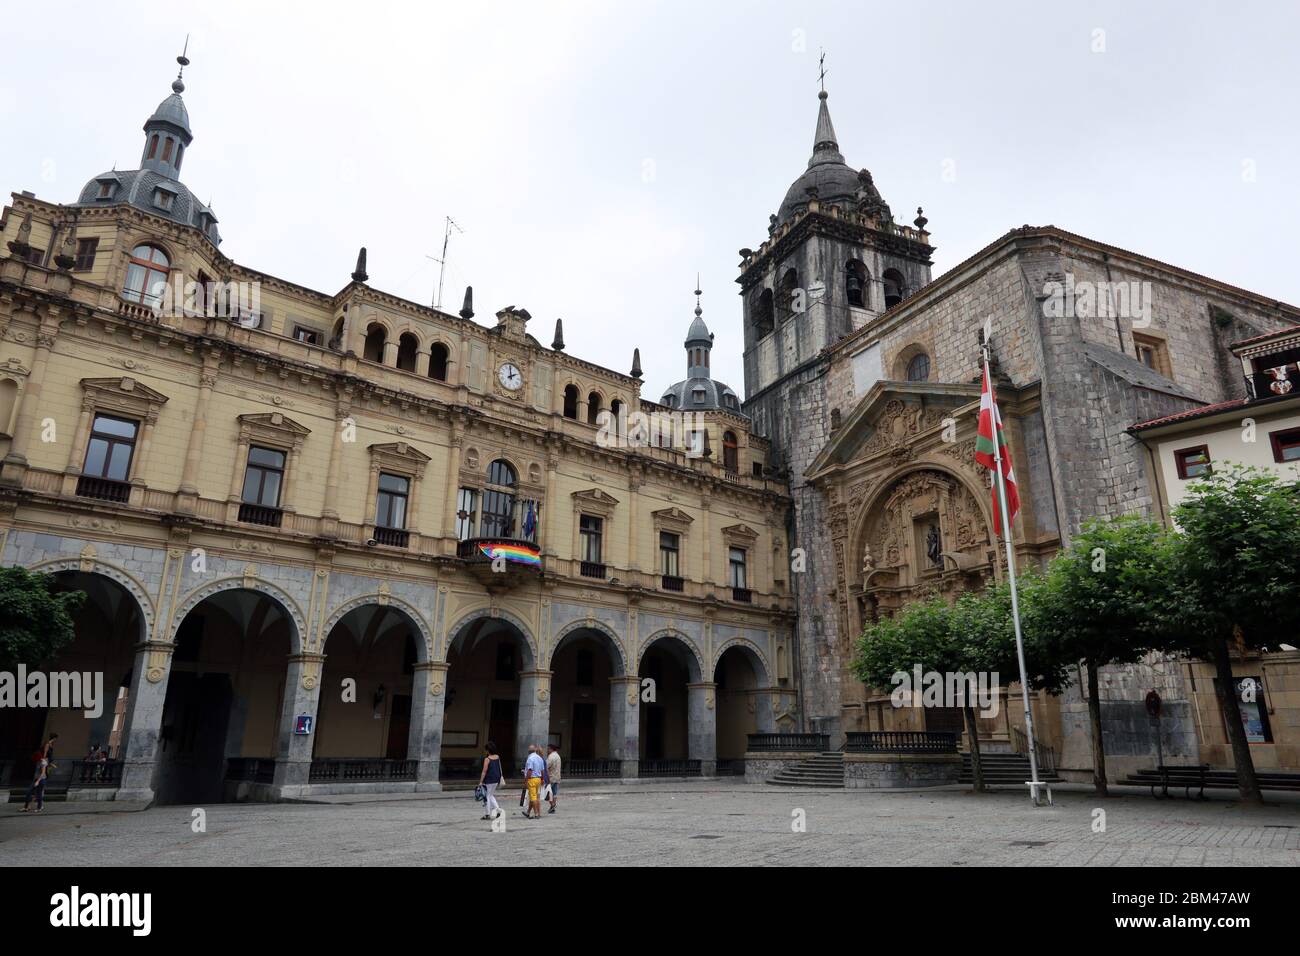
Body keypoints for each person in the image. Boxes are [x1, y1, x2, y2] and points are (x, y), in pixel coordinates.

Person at [478, 741, 504, 822]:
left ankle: (487, 814)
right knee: (490, 795)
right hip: (496, 779)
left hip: (489, 779)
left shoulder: (487, 759)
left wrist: (480, 782)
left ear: (488, 750)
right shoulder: (497, 757)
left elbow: (484, 771)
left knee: (487, 796)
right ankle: (498, 810)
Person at [522, 743, 546, 819]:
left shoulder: (530, 758)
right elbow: (542, 770)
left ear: (528, 751)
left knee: (533, 797)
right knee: (534, 796)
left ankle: (536, 814)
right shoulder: (540, 758)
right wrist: (542, 779)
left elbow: (530, 770)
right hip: (538, 779)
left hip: (532, 779)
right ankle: (528, 812)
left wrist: (526, 780)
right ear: (535, 750)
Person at [546, 744, 562, 814]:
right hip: (557, 777)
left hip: (551, 777)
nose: (547, 750)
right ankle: (552, 807)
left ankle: (552, 805)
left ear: (551, 749)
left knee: (548, 793)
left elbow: (546, 766)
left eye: (548, 749)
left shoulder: (551, 757)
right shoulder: (558, 756)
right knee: (554, 793)